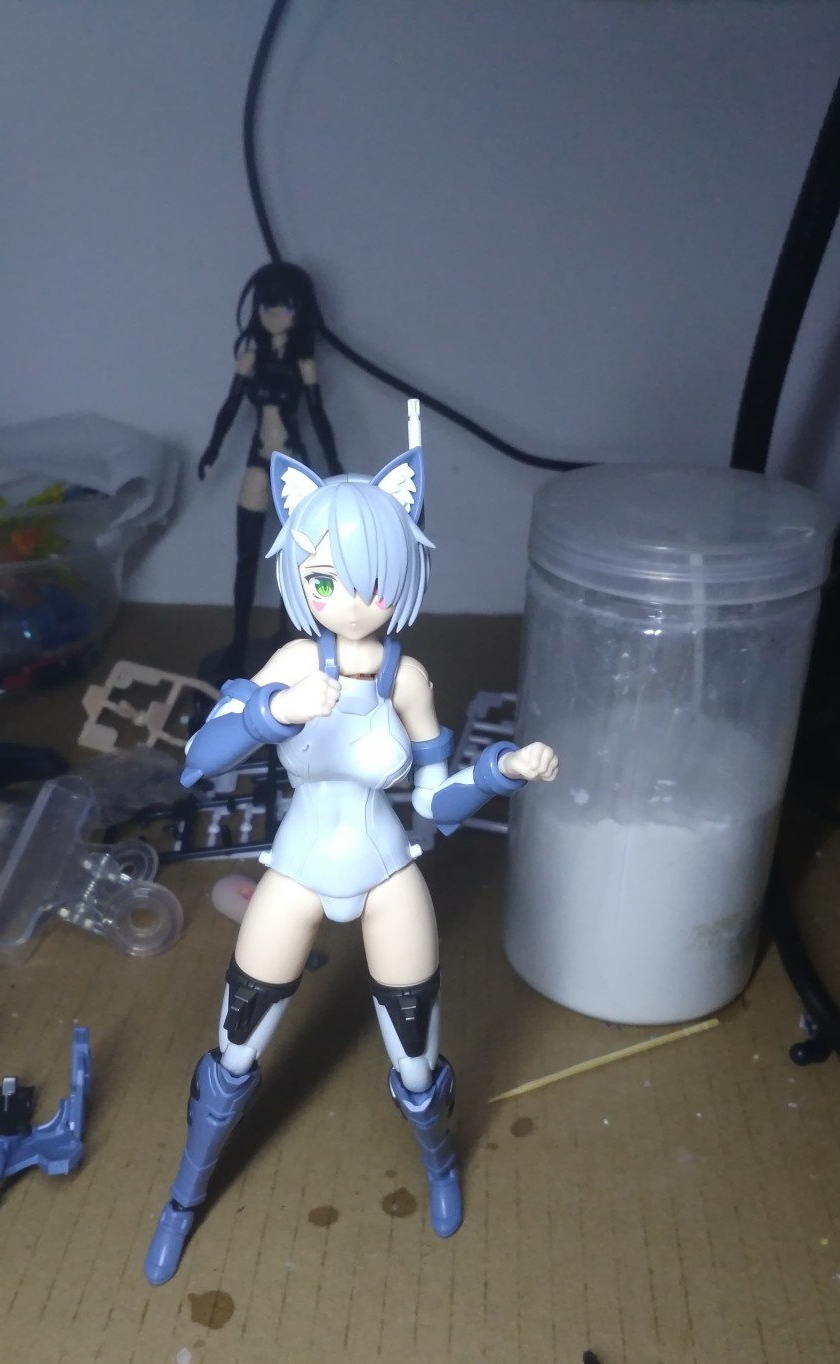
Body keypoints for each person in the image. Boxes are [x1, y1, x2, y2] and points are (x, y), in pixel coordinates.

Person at [144, 433, 558, 1286]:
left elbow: (436, 804)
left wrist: (499, 770)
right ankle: (184, 1196)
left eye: (372, 580)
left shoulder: (409, 680)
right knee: (234, 1050)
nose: (350, 601)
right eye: (326, 580)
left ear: (403, 573)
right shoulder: (294, 661)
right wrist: (274, 711)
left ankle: (439, 1164)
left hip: (385, 869)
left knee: (416, 1058)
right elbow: (198, 761)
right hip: (297, 866)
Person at [197, 262, 343, 676]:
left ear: (300, 311)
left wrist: (334, 465)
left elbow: (319, 417)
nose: (275, 314)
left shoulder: (304, 365)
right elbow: (229, 407)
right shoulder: (250, 359)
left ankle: (287, 636)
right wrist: (213, 447)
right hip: (258, 459)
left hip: (293, 463)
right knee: (246, 556)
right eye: (268, 305)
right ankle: (239, 641)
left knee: (293, 556)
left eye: (285, 306)